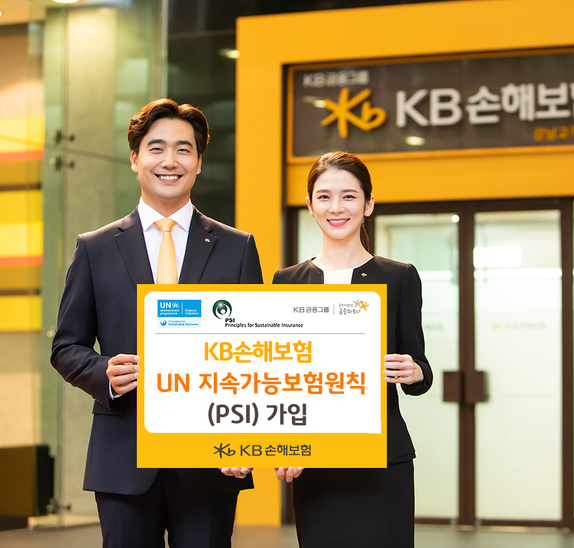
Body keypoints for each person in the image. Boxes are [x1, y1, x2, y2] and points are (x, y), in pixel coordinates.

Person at [50, 99, 262, 548]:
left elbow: (257, 351)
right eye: (156, 148)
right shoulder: (95, 248)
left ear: (199, 162)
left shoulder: (237, 247)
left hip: (211, 456)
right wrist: (103, 373)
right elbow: (66, 346)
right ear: (135, 158)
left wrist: (245, 439)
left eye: (184, 150)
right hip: (123, 454)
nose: (170, 161)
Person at [273, 151, 433, 548]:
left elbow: (420, 371)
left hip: (382, 459)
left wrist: (414, 372)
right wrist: (281, 443)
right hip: (313, 461)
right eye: (324, 197)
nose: (336, 207)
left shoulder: (399, 277)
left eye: (349, 196)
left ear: (368, 204)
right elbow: (277, 375)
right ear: (310, 205)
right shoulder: (287, 281)